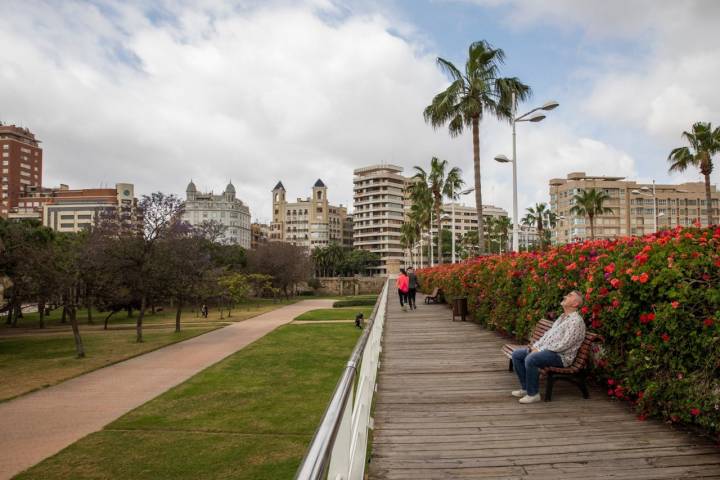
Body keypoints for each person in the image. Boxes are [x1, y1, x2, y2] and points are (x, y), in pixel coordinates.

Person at [510, 290, 586, 404]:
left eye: (569, 296)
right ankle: (526, 388)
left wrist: (539, 351)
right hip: (549, 352)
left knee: (531, 359)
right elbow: (547, 336)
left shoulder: (576, 321)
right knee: (517, 354)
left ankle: (533, 394)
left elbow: (565, 344)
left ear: (575, 304)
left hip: (561, 356)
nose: (565, 296)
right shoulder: (562, 317)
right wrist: (535, 347)